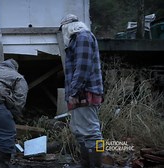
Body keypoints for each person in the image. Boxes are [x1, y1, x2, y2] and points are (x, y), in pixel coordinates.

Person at [59, 14, 104, 167]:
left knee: (92, 132)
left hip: (85, 91)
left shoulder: (82, 37)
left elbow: (83, 68)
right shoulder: (77, 39)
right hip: (79, 91)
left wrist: (73, 91)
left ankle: (97, 164)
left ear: (67, 27)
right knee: (79, 131)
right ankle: (86, 163)